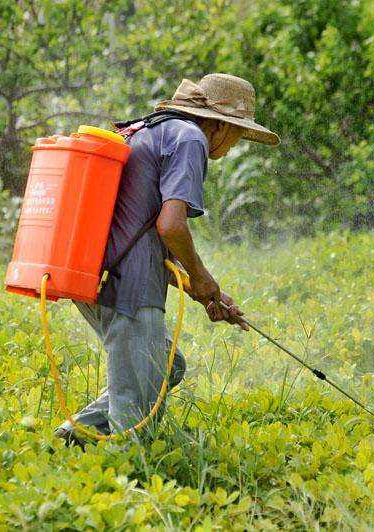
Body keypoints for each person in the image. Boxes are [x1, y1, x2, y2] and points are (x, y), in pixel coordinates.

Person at [55, 73, 280, 446]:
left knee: (166, 366)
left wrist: (201, 289)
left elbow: (140, 233)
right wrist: (202, 275)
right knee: (136, 417)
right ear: (220, 126)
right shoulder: (191, 139)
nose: (236, 143)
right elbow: (170, 226)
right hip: (127, 287)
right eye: (239, 132)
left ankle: (72, 437)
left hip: (94, 272)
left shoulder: (153, 130)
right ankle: (128, 482)